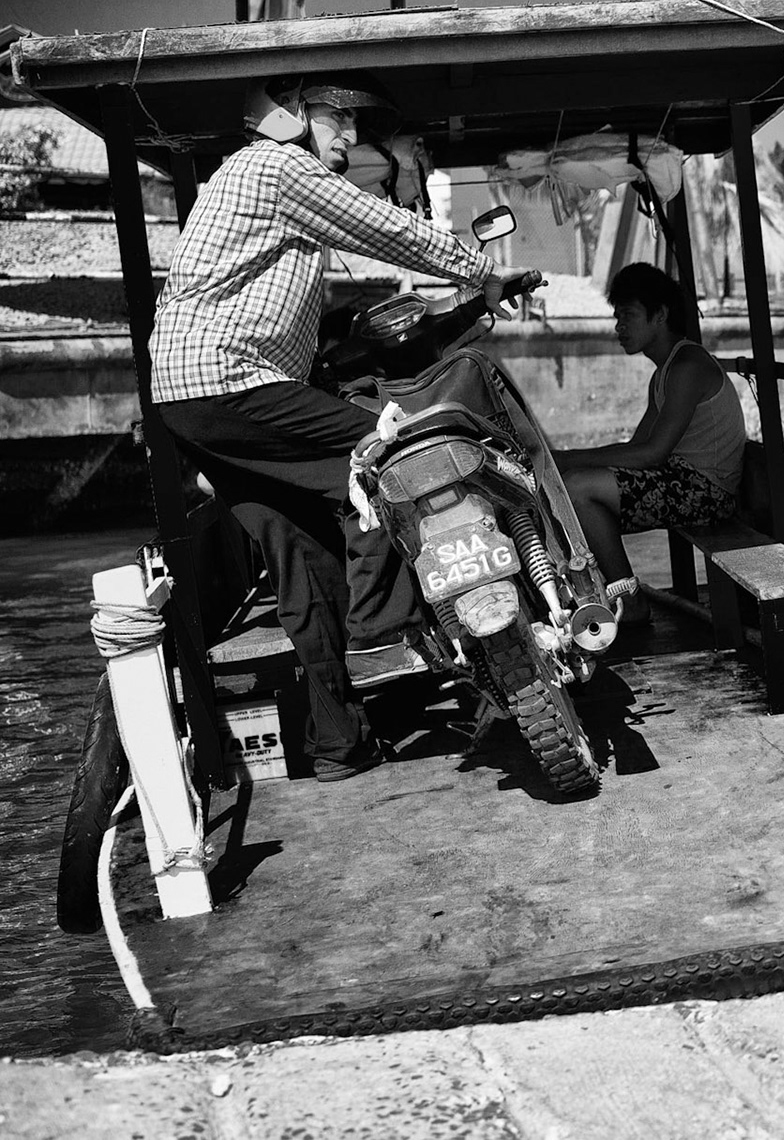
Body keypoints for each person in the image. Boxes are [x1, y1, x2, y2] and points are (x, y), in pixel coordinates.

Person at [153, 71, 536, 782]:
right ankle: (392, 640)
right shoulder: (275, 167)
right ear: (291, 118)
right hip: (231, 381)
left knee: (304, 557)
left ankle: (340, 742)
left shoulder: (255, 183)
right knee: (394, 458)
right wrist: (479, 269)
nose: (351, 136)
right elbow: (380, 225)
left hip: (192, 399)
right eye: (336, 118)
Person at [557, 262, 747, 631]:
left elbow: (652, 454)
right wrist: (570, 464)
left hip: (708, 492)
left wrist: (570, 458)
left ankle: (630, 600)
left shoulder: (688, 366)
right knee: (575, 486)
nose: (619, 327)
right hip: (683, 483)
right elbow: (639, 447)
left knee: (579, 489)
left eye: (628, 316)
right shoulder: (664, 373)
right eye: (617, 317)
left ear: (660, 315)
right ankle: (603, 594)